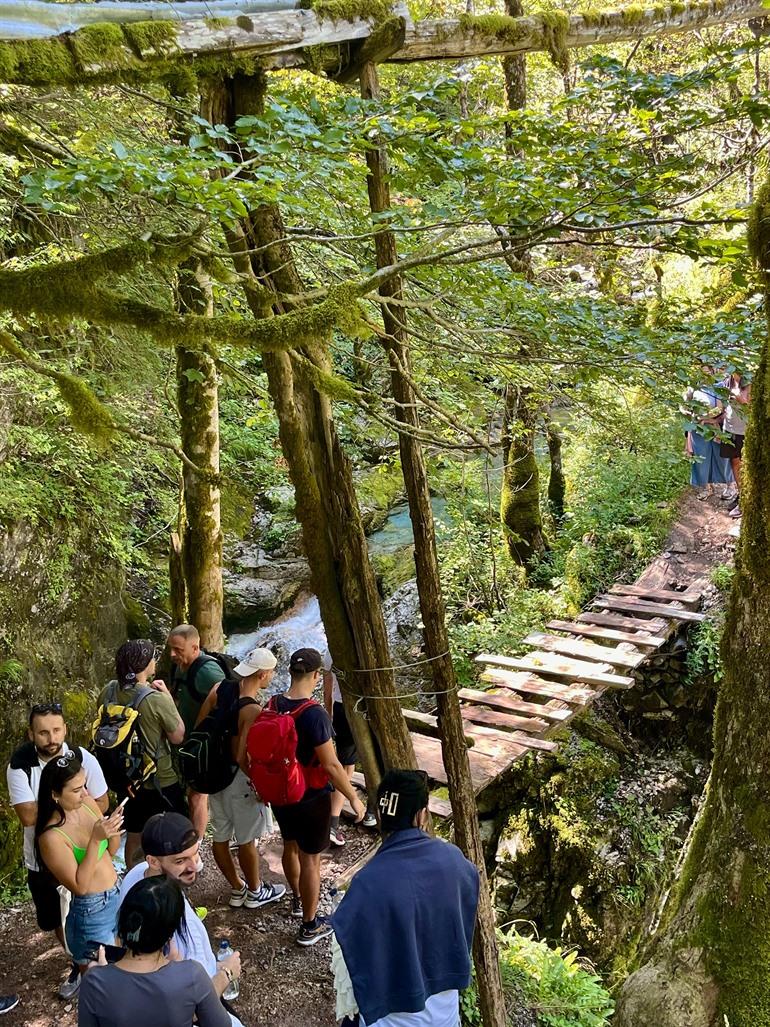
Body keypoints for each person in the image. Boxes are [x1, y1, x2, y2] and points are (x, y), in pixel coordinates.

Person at [331, 770, 480, 1027]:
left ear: (379, 815)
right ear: (421, 815)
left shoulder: (368, 883)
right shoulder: (456, 862)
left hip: (389, 1019)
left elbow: (351, 949)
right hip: (445, 1015)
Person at [7, 702, 108, 1000]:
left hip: (83, 849)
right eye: (43, 733)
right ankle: (77, 963)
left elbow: (101, 803)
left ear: (65, 729)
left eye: (56, 730)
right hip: (41, 859)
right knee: (55, 918)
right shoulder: (20, 764)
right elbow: (26, 815)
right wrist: (73, 802)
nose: (51, 739)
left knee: (93, 908)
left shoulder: (81, 757)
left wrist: (63, 805)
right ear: (31, 734)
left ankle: (98, 967)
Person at [269, 648, 365, 947]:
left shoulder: (273, 704)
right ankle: (309, 925)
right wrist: (354, 798)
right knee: (311, 860)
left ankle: (298, 899)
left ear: (290, 673)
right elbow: (332, 765)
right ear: (315, 676)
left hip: (281, 793)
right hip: (310, 797)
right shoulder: (314, 714)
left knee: (289, 845)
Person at [119, 812, 245, 1027]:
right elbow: (191, 1011)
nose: (193, 866)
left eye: (194, 855)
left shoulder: (138, 877)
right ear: (153, 861)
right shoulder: (169, 928)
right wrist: (227, 973)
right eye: (180, 861)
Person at [196, 646, 285, 909]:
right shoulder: (252, 709)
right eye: (270, 673)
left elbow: (200, 729)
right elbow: (240, 755)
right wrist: (261, 784)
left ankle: (237, 888)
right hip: (238, 779)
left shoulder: (218, 689)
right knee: (247, 839)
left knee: (221, 834)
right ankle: (256, 892)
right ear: (263, 674)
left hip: (215, 776)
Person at [78, 876, 230, 1027]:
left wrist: (103, 976)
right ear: (170, 934)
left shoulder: (94, 981)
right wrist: (226, 974)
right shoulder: (191, 974)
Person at [35, 751, 124, 975]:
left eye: (84, 785)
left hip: (116, 892)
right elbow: (80, 886)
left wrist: (111, 828)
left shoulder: (86, 804)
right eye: (76, 790)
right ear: (54, 794)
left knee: (123, 968)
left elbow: (111, 851)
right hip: (91, 911)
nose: (85, 794)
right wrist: (95, 839)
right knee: (103, 982)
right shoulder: (51, 838)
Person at [100, 640, 186, 867]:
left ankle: (135, 880)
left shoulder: (108, 691)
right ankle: (172, 880)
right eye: (152, 658)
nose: (155, 661)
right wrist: (168, 697)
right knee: (173, 830)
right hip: (160, 778)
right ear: (145, 664)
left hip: (126, 779)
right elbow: (178, 736)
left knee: (135, 833)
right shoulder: (155, 699)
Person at [168, 624, 226, 841]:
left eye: (178, 650)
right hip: (187, 743)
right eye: (171, 649)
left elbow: (227, 702)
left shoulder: (207, 671)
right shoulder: (179, 666)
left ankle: (197, 842)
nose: (173, 654)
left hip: (206, 745)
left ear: (195, 647)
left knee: (196, 796)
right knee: (192, 794)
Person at [322, 650, 376, 846]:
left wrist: (329, 716)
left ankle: (333, 824)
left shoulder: (330, 652)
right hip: (368, 706)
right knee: (374, 760)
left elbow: (327, 689)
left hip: (341, 708)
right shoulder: (364, 645)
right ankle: (371, 811)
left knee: (345, 766)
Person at [682, 371, 733, 493]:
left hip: (717, 426)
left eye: (708, 371)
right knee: (701, 457)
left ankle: (730, 486)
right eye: (703, 371)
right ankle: (706, 487)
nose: (705, 375)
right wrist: (691, 415)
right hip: (698, 428)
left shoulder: (719, 387)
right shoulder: (693, 388)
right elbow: (683, 406)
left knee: (722, 458)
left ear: (712, 372)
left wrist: (712, 418)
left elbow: (724, 407)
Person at [719, 371, 751, 518]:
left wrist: (733, 394)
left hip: (743, 430)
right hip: (729, 429)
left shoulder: (749, 382)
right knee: (734, 462)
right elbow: (723, 405)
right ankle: (741, 495)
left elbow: (746, 402)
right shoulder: (727, 381)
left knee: (744, 464)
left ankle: (747, 499)